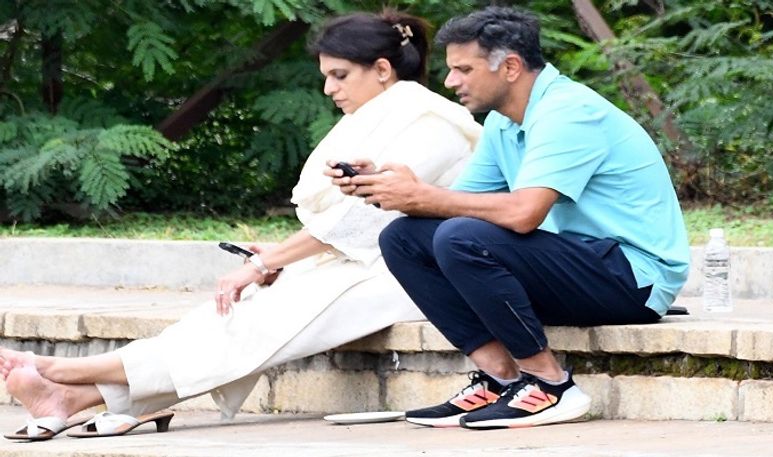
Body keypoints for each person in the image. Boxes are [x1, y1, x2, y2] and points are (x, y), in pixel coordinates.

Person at [0, 10, 481, 440]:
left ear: (381, 70)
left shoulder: (431, 120)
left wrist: (263, 262)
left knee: (266, 314)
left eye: (339, 75)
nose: (329, 89)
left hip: (410, 270)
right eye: (326, 76)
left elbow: (362, 217)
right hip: (358, 263)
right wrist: (266, 264)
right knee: (241, 307)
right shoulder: (374, 116)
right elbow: (338, 219)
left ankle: (72, 374)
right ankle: (82, 397)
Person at [342, 6, 690, 429]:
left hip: (633, 278)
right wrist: (392, 187)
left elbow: (524, 214)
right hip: (577, 267)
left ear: (509, 66)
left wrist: (424, 195)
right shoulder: (503, 125)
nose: (452, 81)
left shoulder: (568, 112)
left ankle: (551, 384)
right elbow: (457, 204)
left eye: (463, 69)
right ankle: (498, 378)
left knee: (459, 236)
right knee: (405, 238)